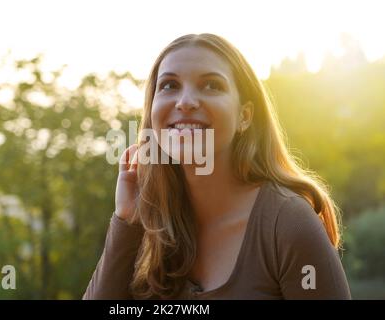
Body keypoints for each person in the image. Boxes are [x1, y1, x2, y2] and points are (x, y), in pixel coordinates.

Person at [83, 33, 351, 299]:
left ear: (244, 116)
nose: (185, 101)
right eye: (169, 85)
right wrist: (127, 221)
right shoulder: (147, 225)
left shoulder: (288, 225)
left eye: (211, 85)